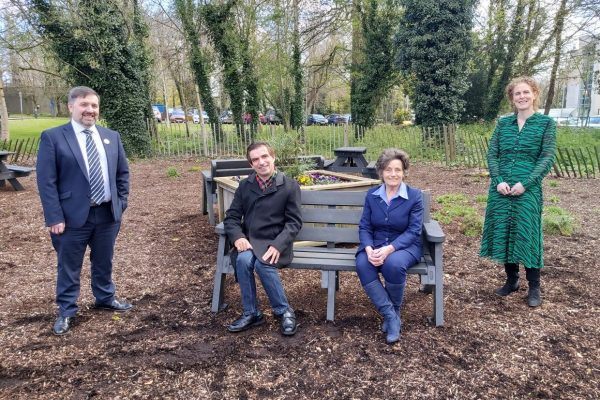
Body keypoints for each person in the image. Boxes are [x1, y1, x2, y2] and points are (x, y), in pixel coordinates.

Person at [36, 86, 132, 335]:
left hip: (107, 214)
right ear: (71, 107)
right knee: (69, 266)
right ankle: (67, 310)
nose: (90, 110)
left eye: (94, 105)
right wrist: (54, 216)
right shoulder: (53, 137)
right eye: (84, 105)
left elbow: (122, 173)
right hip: (70, 217)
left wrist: (120, 202)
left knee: (104, 260)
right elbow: (46, 182)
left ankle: (105, 298)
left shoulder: (111, 136)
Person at [480, 76, 557, 307]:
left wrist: (526, 183)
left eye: (525, 92)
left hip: (528, 189)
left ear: (534, 94)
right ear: (512, 98)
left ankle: (534, 287)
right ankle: (512, 280)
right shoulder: (503, 124)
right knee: (505, 231)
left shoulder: (545, 124)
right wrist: (498, 180)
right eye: (517, 93)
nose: (522, 97)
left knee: (527, 234)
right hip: (501, 188)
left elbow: (547, 157)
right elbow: (493, 154)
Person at [223, 142, 302, 336]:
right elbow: (232, 217)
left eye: (265, 156)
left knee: (262, 264)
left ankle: (284, 311)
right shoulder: (245, 186)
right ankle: (251, 313)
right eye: (255, 159)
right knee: (243, 260)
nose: (261, 162)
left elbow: (294, 223)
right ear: (251, 164)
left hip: (276, 243)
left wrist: (278, 245)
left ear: (273, 157)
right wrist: (238, 237)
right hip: (251, 241)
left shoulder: (289, 186)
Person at [355, 149, 423, 344]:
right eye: (388, 170)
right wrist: (368, 248)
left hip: (405, 246)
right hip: (375, 244)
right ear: (381, 172)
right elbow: (365, 226)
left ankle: (394, 314)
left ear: (404, 172)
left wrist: (389, 249)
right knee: (363, 264)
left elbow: (414, 231)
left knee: (393, 264)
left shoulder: (414, 196)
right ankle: (391, 315)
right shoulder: (372, 195)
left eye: (397, 170)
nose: (393, 174)